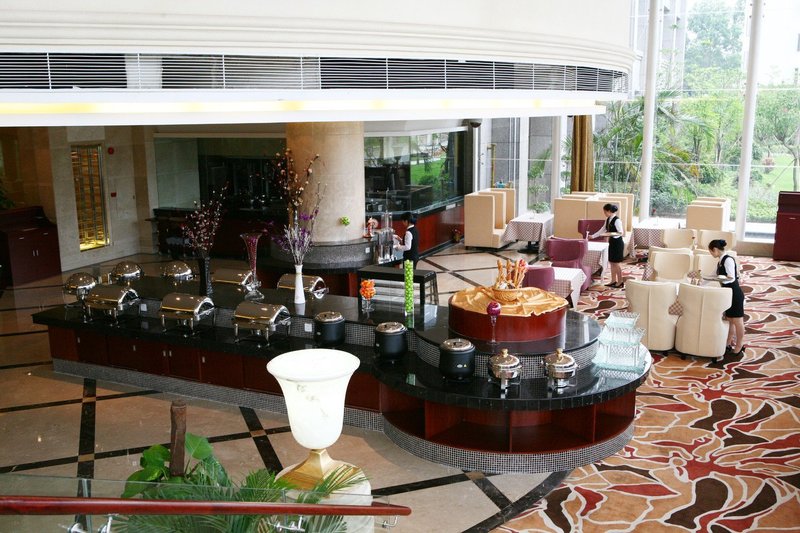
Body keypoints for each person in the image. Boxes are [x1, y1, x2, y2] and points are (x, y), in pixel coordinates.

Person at [708, 239, 745, 355]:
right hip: (727, 293)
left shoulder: (728, 260)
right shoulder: (720, 261)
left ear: (715, 249)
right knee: (730, 319)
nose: (711, 254)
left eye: (710, 251)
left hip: (735, 293)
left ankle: (739, 345)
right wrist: (700, 283)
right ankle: (728, 342)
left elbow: (731, 278)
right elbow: (712, 275)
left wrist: (719, 279)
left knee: (737, 321)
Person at [590, 203, 625, 288]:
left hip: (617, 243)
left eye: (605, 212)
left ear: (609, 211)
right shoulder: (608, 219)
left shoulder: (617, 220)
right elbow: (602, 230)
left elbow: (621, 233)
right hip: (611, 242)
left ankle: (620, 281)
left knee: (616, 263)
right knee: (612, 262)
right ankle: (613, 280)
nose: (604, 213)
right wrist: (592, 236)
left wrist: (610, 234)